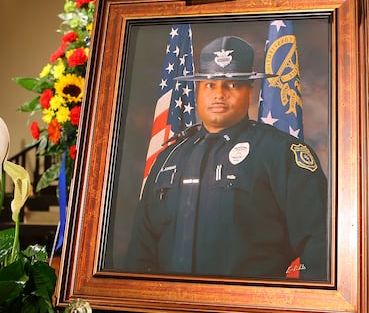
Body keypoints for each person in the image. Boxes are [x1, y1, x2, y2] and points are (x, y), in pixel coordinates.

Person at [125, 35, 328, 280]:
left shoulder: (281, 153)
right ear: (198, 90)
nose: (219, 94)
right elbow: (140, 251)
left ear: (250, 92)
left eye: (231, 84)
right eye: (209, 84)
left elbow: (319, 250)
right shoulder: (170, 156)